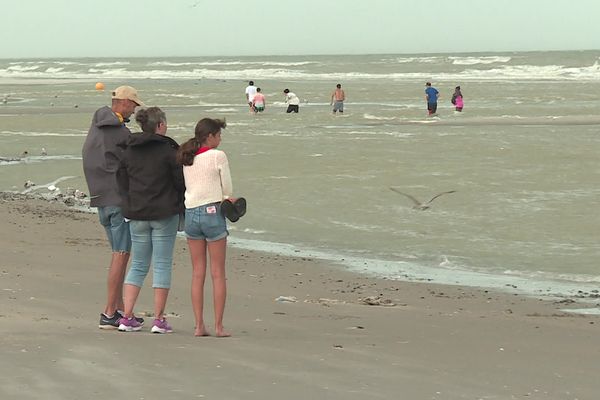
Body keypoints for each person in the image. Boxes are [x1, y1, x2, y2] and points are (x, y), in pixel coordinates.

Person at [115, 107, 185, 333]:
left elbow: (121, 181)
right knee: (162, 264)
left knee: (138, 264)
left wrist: (129, 203)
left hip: (137, 212)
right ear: (160, 125)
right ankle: (159, 319)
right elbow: (179, 182)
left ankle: (126, 317)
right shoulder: (169, 150)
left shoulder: (129, 150)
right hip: (164, 212)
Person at [82, 85, 144, 330]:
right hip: (116, 200)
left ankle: (118, 309)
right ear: (124, 102)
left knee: (120, 254)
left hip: (100, 198)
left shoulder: (97, 125)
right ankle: (109, 311)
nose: (134, 110)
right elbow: (133, 162)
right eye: (134, 105)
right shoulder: (119, 132)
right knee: (121, 254)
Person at [177, 118, 235, 337]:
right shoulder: (218, 156)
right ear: (209, 136)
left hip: (191, 213)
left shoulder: (187, 157)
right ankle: (218, 326)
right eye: (218, 135)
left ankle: (199, 325)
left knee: (197, 272)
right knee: (217, 273)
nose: (220, 139)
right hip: (213, 212)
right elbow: (227, 189)